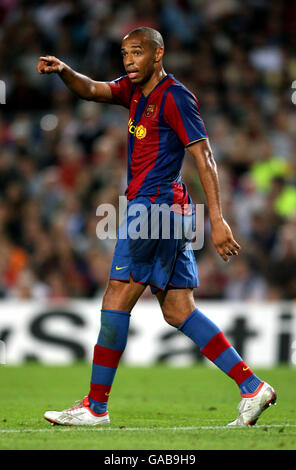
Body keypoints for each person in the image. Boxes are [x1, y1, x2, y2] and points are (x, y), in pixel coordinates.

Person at [37, 27, 276, 427]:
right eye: (124, 53)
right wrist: (64, 70)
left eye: (136, 52)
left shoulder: (175, 96)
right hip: (167, 210)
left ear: (157, 54)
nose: (128, 60)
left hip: (155, 209)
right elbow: (92, 89)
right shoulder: (133, 91)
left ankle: (96, 407)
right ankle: (251, 387)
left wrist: (217, 220)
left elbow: (206, 157)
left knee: (116, 296)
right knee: (179, 309)